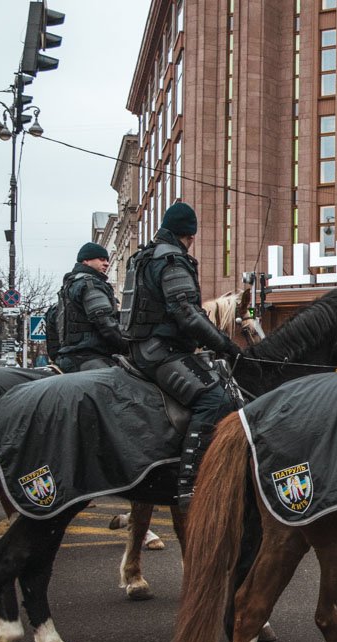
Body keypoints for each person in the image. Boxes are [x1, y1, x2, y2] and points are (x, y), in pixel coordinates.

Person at [120, 201, 243, 511]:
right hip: (162, 353)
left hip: (145, 349)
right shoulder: (172, 260)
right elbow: (187, 313)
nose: (191, 243)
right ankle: (192, 483)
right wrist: (226, 345)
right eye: (191, 238)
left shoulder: (145, 256)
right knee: (216, 399)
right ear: (187, 235)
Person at [54, 242, 126, 373]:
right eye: (101, 259)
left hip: (68, 358)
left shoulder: (67, 287)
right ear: (86, 260)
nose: (106, 264)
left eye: (107, 260)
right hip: (91, 358)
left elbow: (52, 326)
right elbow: (106, 323)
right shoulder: (90, 285)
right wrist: (128, 345)